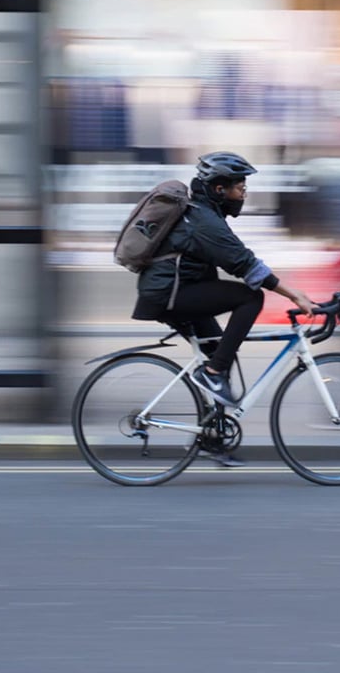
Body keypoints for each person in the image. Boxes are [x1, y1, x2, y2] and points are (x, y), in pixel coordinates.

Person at [132, 151, 314, 460]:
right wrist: (293, 294)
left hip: (177, 292)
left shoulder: (204, 214)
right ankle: (213, 372)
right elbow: (244, 264)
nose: (244, 191)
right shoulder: (202, 220)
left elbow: (238, 259)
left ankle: (212, 438)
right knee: (250, 297)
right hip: (169, 294)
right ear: (219, 189)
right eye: (239, 186)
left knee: (220, 352)